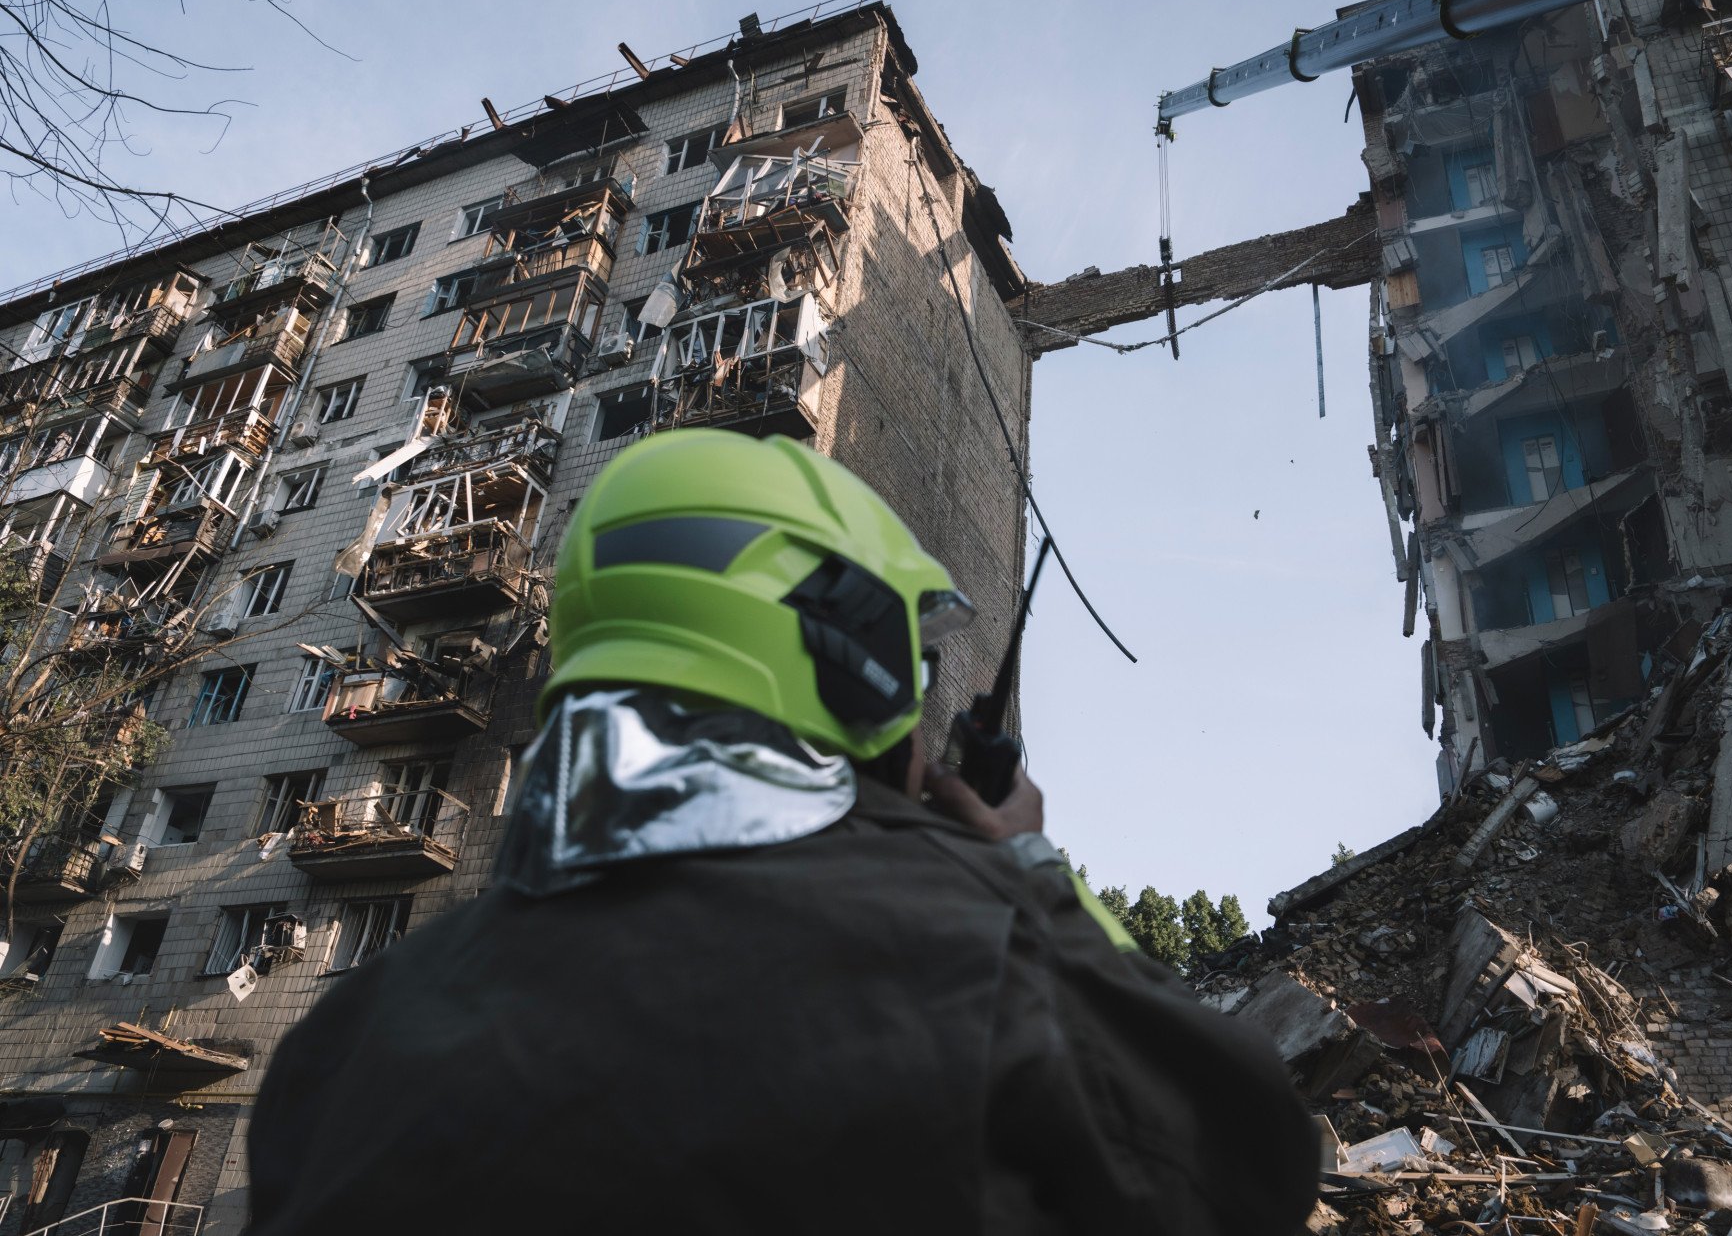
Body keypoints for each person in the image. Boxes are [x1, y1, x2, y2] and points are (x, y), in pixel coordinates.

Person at [247, 431, 1318, 1234]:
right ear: (855, 656)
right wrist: (1025, 868)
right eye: (919, 669)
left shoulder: (336, 1046)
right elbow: (1244, 1171)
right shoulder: (979, 955)